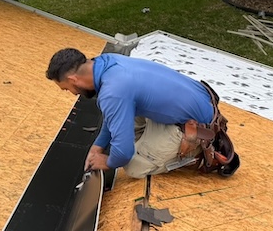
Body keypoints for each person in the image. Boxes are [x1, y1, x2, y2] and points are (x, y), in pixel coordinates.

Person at [46, 48, 239, 178]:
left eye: (67, 88)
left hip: (199, 129)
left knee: (132, 167)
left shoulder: (113, 91)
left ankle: (193, 154)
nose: (72, 93)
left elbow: (123, 153)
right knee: (123, 113)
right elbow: (112, 113)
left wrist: (107, 161)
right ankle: (152, 143)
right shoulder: (107, 62)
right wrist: (98, 146)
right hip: (201, 106)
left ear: (73, 79)